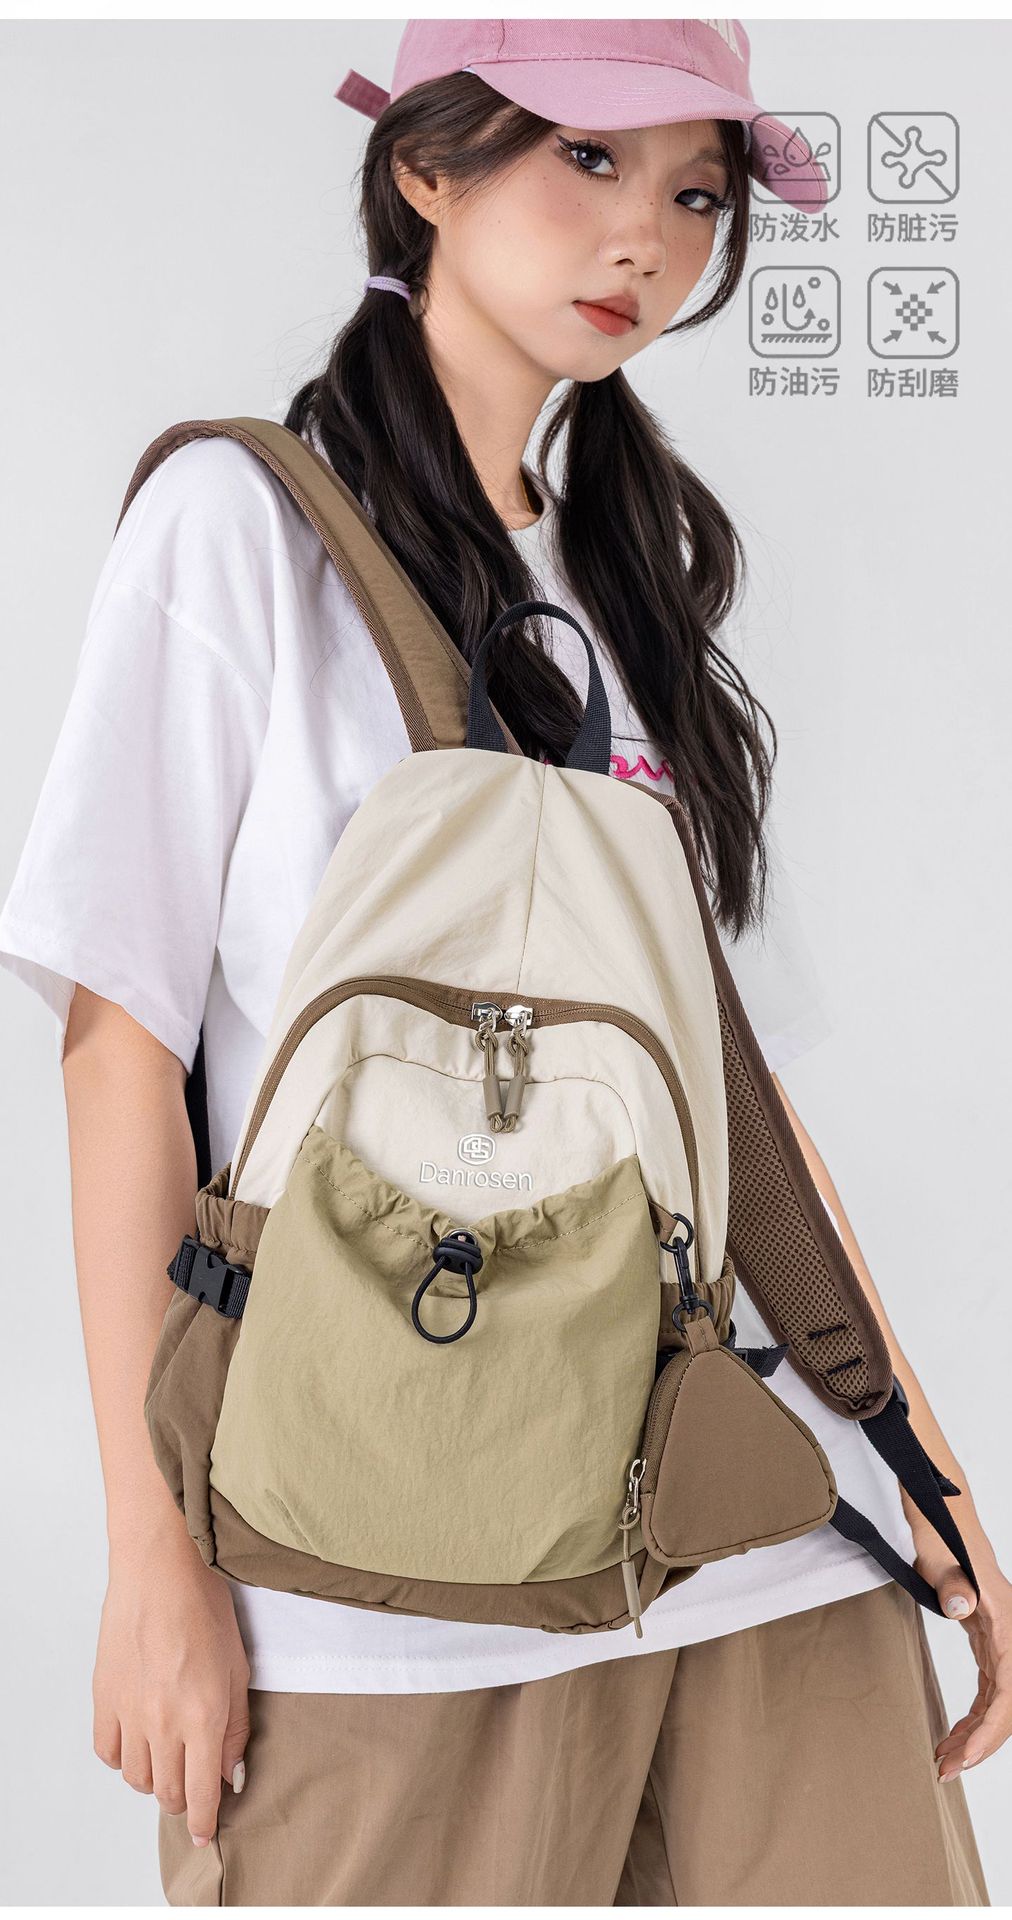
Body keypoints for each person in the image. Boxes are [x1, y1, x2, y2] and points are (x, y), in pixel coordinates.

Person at [0, 17, 1004, 1906]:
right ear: (425, 168)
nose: (648, 238)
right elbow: (120, 1046)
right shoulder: (240, 528)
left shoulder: (624, 574)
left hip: (753, 1542)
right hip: (381, 1575)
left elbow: (733, 1098)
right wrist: (152, 1556)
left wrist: (919, 1467)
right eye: (591, 160)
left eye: (695, 194)